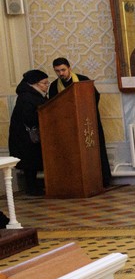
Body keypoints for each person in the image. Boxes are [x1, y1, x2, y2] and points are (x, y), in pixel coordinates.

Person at [48, 57, 112, 187]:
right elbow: (53, 105)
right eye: (57, 71)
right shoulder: (54, 86)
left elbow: (95, 97)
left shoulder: (83, 81)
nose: (61, 73)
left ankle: (101, 180)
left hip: (88, 121)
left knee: (94, 150)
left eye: (63, 70)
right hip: (68, 125)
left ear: (69, 68)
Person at [8, 70, 49, 195]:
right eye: (44, 83)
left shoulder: (34, 95)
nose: (47, 85)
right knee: (30, 163)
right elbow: (29, 117)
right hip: (25, 137)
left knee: (32, 162)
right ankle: (32, 188)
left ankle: (34, 187)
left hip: (31, 136)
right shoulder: (26, 97)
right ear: (34, 84)